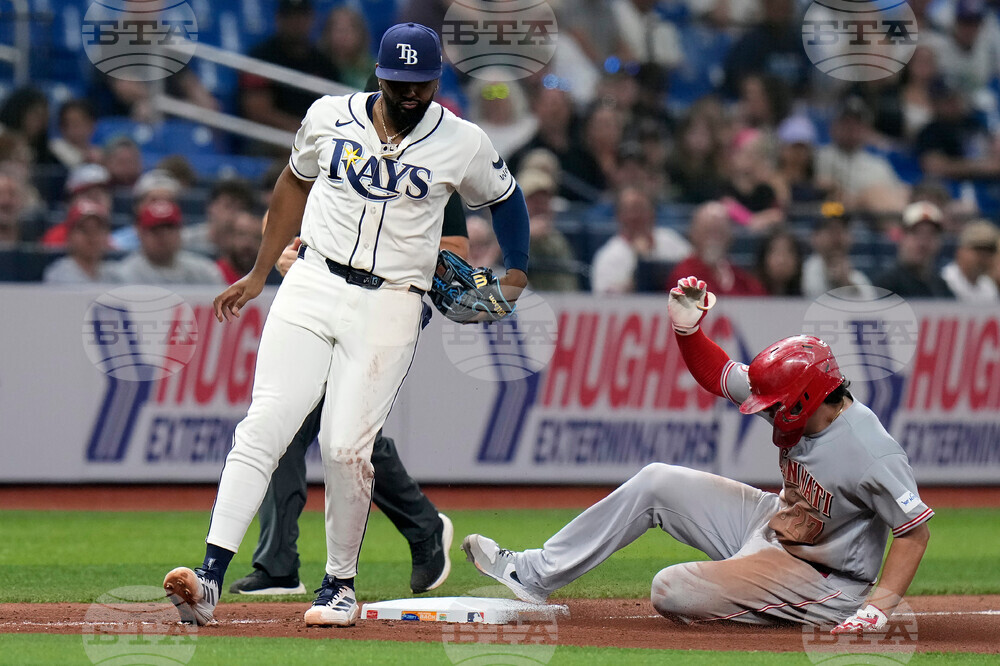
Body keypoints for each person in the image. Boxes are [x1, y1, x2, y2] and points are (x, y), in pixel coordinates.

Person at [164, 23, 530, 628]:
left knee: (344, 448)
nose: (409, 94)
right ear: (379, 76)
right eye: (398, 82)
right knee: (262, 427)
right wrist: (259, 274)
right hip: (311, 282)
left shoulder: (460, 140)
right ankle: (208, 579)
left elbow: (507, 197)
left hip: (390, 302)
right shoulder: (329, 114)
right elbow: (292, 183)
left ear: (436, 80)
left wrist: (517, 271)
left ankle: (338, 585)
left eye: (420, 84)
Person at [464, 276, 933, 631]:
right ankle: (532, 574)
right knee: (656, 481)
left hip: (824, 577)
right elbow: (719, 374)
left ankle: (780, 607)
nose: (764, 411)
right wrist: (688, 333)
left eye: (773, 406)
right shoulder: (795, 394)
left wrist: (877, 609)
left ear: (806, 399)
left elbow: (914, 531)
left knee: (672, 589)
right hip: (775, 522)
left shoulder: (870, 450)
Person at [228, 194, 469, 596]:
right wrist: (291, 252)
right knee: (291, 424)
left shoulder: (432, 157)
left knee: (346, 431)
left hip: (388, 308)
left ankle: (423, 528)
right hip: (321, 306)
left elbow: (456, 248)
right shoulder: (344, 141)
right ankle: (278, 564)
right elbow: (282, 209)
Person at [591, 186, 690, 294]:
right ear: (619, 216)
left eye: (641, 209)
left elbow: (695, 272)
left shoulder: (671, 240)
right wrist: (641, 265)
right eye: (630, 210)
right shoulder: (609, 255)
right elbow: (605, 301)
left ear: (652, 212)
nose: (636, 216)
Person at [109, 200, 225, 285]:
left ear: (180, 231)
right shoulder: (124, 275)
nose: (164, 236)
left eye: (170, 228)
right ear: (141, 233)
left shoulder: (205, 271)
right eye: (155, 230)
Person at [667, 201, 767, 296]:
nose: (713, 240)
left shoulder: (740, 278)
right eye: (707, 232)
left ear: (730, 236)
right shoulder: (683, 276)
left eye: (719, 232)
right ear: (694, 234)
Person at [872, 201, 954, 298]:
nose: (923, 242)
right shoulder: (886, 284)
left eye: (931, 234)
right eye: (916, 232)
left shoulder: (941, 287)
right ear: (901, 237)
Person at [801, 203, 873, 299]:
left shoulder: (859, 279)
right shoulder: (802, 272)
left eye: (842, 229)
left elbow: (869, 309)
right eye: (830, 230)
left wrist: (847, 284)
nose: (837, 237)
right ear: (814, 237)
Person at [43, 201, 113, 283]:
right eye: (84, 229)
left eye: (98, 230)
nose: (92, 236)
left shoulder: (113, 274)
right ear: (69, 235)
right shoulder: (58, 274)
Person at [940, 220, 1000, 302]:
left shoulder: (988, 286)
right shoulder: (945, 280)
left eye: (989, 251)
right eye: (978, 249)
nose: (984, 256)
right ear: (960, 251)